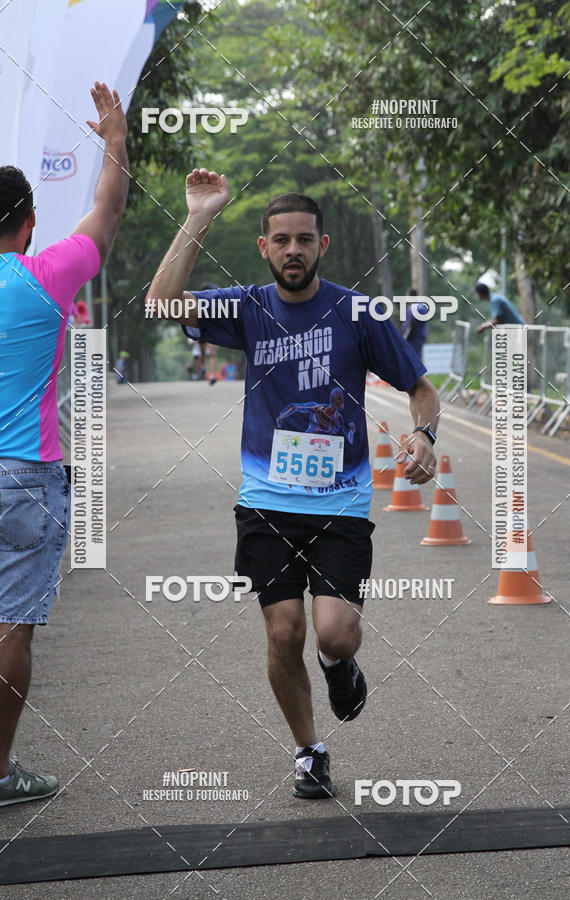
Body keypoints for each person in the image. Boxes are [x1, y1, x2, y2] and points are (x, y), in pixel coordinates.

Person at [146, 169, 439, 799]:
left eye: (304, 239)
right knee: (283, 631)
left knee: (334, 632)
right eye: (281, 240)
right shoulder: (247, 308)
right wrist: (198, 218)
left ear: (322, 246)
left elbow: (420, 388)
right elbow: (163, 303)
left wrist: (424, 436)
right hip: (266, 501)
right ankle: (310, 750)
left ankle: (339, 664)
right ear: (264, 247)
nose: (293, 250)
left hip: (341, 502)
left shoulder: (355, 313)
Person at [0, 82, 128, 807]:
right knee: (11, 628)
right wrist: (114, 139)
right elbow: (106, 217)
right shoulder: (46, 276)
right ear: (29, 225)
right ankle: (0, 772)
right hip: (26, 476)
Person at [400, 287, 428, 360]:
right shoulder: (418, 307)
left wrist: (405, 335)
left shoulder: (415, 308)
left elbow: (411, 324)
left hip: (414, 338)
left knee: (414, 360)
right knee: (415, 359)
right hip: (416, 337)